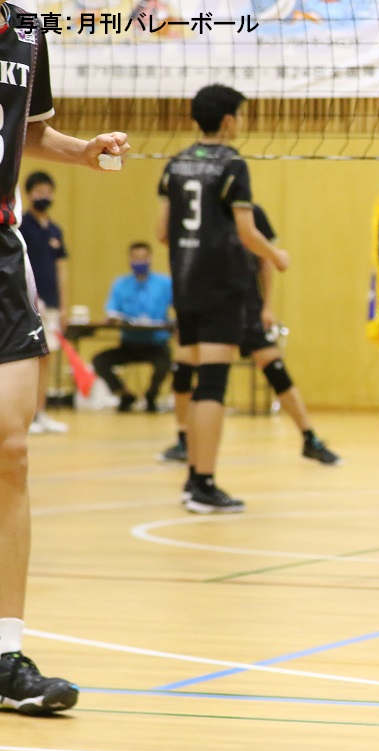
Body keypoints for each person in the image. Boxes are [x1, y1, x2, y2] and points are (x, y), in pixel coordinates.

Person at [0, 5, 130, 714]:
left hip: (1, 252)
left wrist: (81, 152)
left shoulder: (26, 30)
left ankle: (5, 655)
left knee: (12, 451)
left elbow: (27, 131)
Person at [157, 84, 289, 514]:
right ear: (230, 119)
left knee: (201, 381)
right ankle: (203, 483)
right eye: (242, 115)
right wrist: (276, 256)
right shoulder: (232, 164)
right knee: (213, 384)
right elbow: (248, 233)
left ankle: (194, 479)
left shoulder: (175, 163)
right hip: (221, 286)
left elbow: (161, 232)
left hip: (185, 284)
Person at [160, 203, 339, 465]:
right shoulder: (199, 211)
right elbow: (174, 248)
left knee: (275, 368)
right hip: (207, 305)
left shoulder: (251, 212)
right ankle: (183, 438)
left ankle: (309, 438)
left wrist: (267, 305)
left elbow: (264, 260)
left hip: (247, 305)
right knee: (184, 369)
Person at [92, 242, 173, 413]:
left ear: (150, 259)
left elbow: (179, 307)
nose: (140, 262)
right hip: (128, 345)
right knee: (99, 360)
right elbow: (112, 311)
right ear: (129, 259)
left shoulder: (165, 284)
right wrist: (113, 319)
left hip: (156, 345)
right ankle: (125, 394)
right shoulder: (120, 284)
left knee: (165, 362)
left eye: (143, 258)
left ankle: (151, 395)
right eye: (136, 258)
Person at [18, 171, 69, 434]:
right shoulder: (21, 227)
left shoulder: (55, 230)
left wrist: (64, 306)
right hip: (27, 302)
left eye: (48, 191)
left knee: (46, 358)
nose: (44, 196)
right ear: (28, 194)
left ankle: (41, 413)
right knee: (28, 360)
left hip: (51, 305)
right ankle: (25, 416)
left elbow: (61, 269)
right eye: (39, 191)